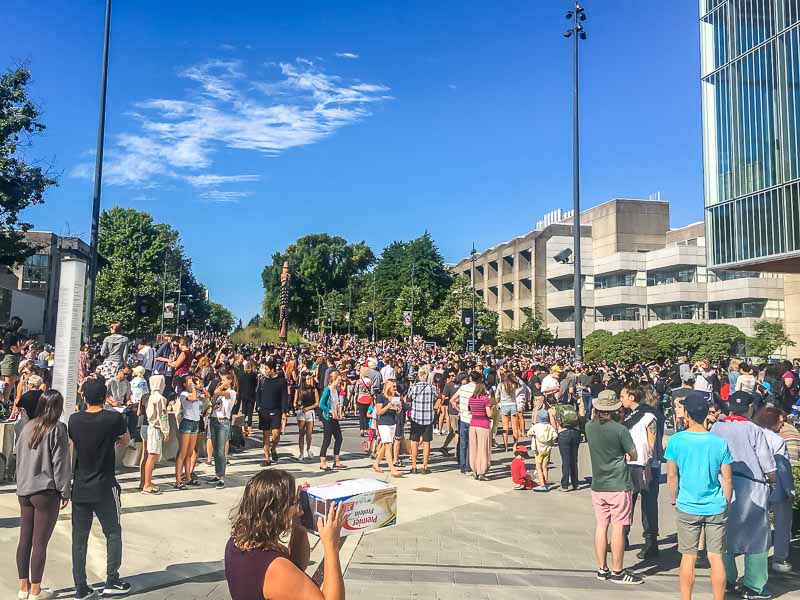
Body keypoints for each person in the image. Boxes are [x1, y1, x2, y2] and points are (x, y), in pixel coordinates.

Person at [224, 469, 346, 600]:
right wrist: (331, 546)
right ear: (278, 512)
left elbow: (297, 565)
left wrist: (299, 526)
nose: (297, 506)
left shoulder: (237, 542)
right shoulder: (275, 567)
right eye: (293, 502)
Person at [665, 391, 733, 600]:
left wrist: (673, 498)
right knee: (716, 556)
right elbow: (727, 479)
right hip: (714, 504)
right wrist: (726, 502)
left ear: (686, 413)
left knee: (688, 556)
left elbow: (672, 475)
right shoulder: (719, 442)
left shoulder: (676, 441)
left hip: (687, 503)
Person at [68, 376, 132, 599]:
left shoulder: (74, 420)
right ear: (105, 397)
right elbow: (125, 440)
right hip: (105, 484)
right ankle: (112, 580)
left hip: (81, 486)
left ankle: (80, 586)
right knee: (113, 532)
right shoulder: (113, 419)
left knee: (79, 538)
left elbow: (73, 446)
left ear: (83, 397)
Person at [711, 391, 776, 599]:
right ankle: (754, 585)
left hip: (723, 484)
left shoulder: (717, 427)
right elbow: (766, 462)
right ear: (750, 408)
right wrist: (773, 482)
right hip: (752, 486)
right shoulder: (754, 429)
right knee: (756, 537)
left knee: (724, 533)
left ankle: (727, 579)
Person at [15, 389, 71, 600]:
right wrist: (64, 490)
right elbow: (61, 464)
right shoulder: (57, 429)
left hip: (25, 489)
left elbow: (19, 457)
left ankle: (23, 587)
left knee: (24, 540)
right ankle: (36, 589)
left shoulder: (27, 427)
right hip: (46, 491)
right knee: (40, 543)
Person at [584, 389, 643, 585]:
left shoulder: (589, 427)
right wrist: (626, 456)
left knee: (601, 525)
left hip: (598, 483)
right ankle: (618, 571)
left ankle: (602, 568)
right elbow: (633, 454)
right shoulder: (620, 430)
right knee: (618, 527)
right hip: (618, 483)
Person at [753, 407, 795, 574]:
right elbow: (783, 468)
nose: (782, 425)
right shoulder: (777, 441)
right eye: (780, 422)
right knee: (782, 523)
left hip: (754, 486)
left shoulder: (752, 433)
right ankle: (779, 558)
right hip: (776, 486)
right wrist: (789, 490)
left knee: (759, 525)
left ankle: (757, 557)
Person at [621, 384, 659, 557]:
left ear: (632, 397)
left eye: (623, 396)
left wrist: (649, 463)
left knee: (648, 505)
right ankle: (622, 536)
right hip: (630, 464)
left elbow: (652, 442)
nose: (620, 399)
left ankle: (651, 542)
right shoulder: (627, 416)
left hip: (645, 465)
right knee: (627, 502)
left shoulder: (648, 415)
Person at [256, 359, 288, 466]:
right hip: (264, 410)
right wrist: (258, 406)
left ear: (273, 370)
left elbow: (284, 397)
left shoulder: (281, 381)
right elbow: (258, 393)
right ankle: (267, 459)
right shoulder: (262, 380)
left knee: (276, 434)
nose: (265, 371)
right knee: (265, 436)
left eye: (267, 369)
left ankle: (273, 448)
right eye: (265, 369)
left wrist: (284, 412)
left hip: (276, 410)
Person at [141, 375, 170, 495]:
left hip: (150, 427)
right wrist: (166, 431)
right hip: (156, 428)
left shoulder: (150, 397)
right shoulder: (160, 398)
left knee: (148, 456)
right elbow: (163, 416)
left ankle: (146, 481)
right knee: (152, 457)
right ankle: (147, 484)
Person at [406, 366, 437, 474]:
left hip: (415, 417)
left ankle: (414, 466)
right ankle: (425, 466)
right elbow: (437, 398)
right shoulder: (431, 387)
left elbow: (408, 398)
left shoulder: (414, 387)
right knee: (426, 442)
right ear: (427, 375)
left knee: (414, 442)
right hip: (428, 417)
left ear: (419, 375)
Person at [209, 370, 237, 489]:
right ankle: (217, 473)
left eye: (225, 379)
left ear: (230, 380)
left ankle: (222, 477)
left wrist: (222, 386)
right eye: (222, 380)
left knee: (221, 451)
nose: (222, 382)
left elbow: (217, 391)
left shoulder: (231, 392)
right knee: (215, 450)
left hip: (223, 421)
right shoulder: (222, 393)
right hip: (214, 419)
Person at [175, 375, 203, 490]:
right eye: (189, 381)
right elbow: (193, 399)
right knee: (183, 452)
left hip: (195, 423)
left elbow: (206, 397)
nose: (192, 383)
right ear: (185, 384)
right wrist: (194, 389)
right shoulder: (183, 394)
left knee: (190, 453)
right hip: (187, 422)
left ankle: (188, 476)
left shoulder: (196, 391)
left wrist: (201, 387)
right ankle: (178, 480)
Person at [372, 380, 403, 477]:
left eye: (395, 386)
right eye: (393, 386)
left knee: (385, 445)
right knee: (388, 445)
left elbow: (396, 412)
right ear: (388, 387)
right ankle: (392, 469)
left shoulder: (395, 397)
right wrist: (388, 406)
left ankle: (376, 464)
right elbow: (379, 411)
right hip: (384, 423)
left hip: (392, 422)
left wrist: (398, 408)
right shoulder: (381, 397)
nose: (395, 388)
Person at [553, 390, 581, 492]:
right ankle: (575, 483)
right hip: (575, 432)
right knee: (574, 459)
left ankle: (565, 485)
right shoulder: (572, 407)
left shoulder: (555, 409)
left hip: (564, 433)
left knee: (565, 460)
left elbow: (555, 425)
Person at [451, 371, 477, 475]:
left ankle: (462, 465)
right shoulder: (477, 389)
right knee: (470, 443)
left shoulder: (463, 388)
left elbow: (452, 400)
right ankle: (468, 465)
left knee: (463, 442)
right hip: (472, 418)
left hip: (463, 417)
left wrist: (459, 409)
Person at [319, 370, 345, 471]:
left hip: (334, 417)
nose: (340, 382)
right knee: (327, 439)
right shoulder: (327, 390)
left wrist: (338, 412)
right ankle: (322, 462)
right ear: (333, 379)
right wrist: (329, 410)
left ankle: (336, 461)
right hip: (327, 417)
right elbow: (321, 404)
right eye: (338, 380)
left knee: (339, 438)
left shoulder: (336, 390)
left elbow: (336, 403)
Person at [467, 376, 493, 481]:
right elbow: (489, 414)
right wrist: (493, 407)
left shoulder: (471, 398)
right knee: (483, 449)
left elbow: (469, 410)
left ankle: (474, 469)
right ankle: (482, 471)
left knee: (474, 449)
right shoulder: (485, 399)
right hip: (483, 424)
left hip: (473, 424)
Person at [294, 373, 319, 461]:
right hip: (301, 413)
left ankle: (308, 449)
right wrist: (297, 406)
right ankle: (301, 453)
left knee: (309, 433)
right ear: (304, 380)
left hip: (310, 412)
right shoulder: (299, 390)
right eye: (308, 379)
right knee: (301, 433)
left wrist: (308, 408)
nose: (309, 381)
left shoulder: (314, 390)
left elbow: (317, 403)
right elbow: (294, 402)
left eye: (310, 379)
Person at [531, 409, 557, 491]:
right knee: (545, 467)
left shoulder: (536, 427)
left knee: (538, 467)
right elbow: (555, 435)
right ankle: (545, 482)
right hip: (547, 449)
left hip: (538, 450)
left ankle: (542, 484)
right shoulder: (549, 427)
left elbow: (529, 432)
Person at [1, 316, 24, 405]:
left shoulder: (11, 335)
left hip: (12, 359)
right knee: (8, 386)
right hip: (11, 360)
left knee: (9, 386)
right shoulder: (10, 335)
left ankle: (4, 405)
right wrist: (24, 345)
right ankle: (3, 406)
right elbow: (15, 350)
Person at [497, 372, 520, 452]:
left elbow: (497, 396)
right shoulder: (514, 385)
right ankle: (515, 445)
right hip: (513, 404)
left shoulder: (500, 385)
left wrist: (498, 402)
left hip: (504, 405)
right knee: (515, 428)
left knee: (505, 427)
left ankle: (506, 446)